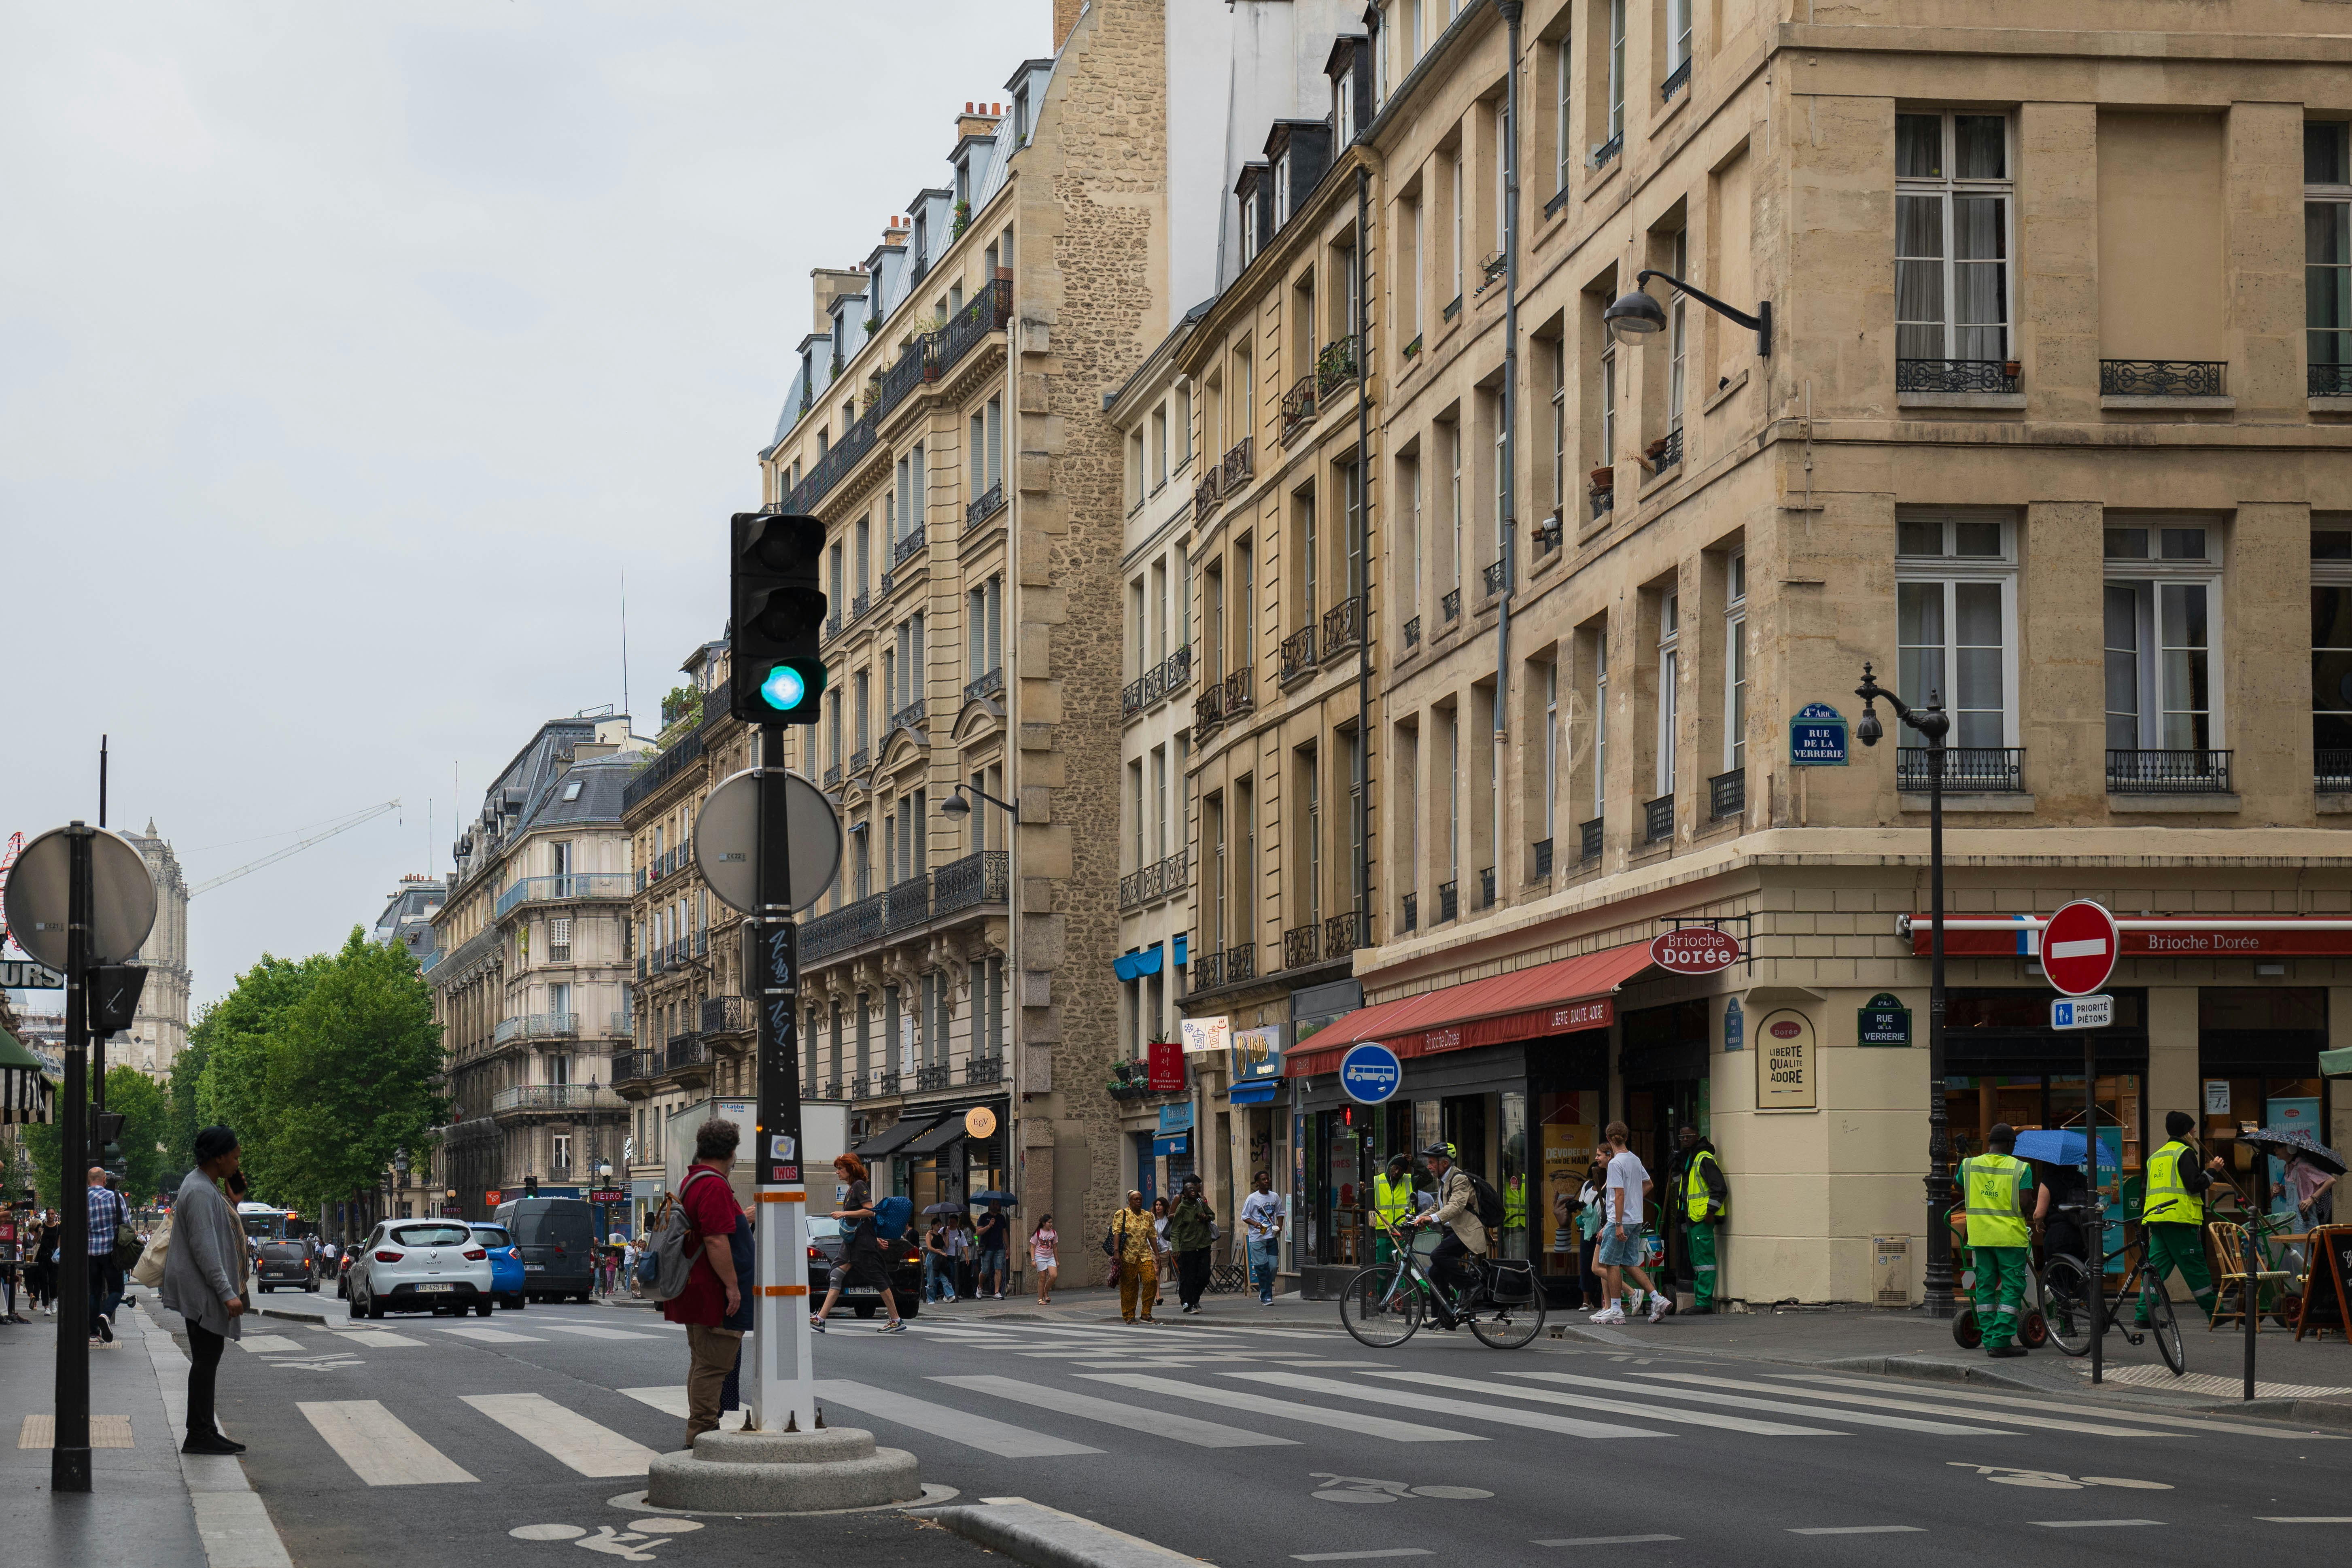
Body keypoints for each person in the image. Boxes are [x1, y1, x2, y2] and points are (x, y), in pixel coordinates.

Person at [162, 1127, 250, 1455]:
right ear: (219, 1156)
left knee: (208, 1357)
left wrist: (234, 1201)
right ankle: (198, 1433)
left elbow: (219, 1231)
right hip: (203, 1292)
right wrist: (227, 1292)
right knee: (205, 1358)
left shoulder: (205, 1187)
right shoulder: (199, 1191)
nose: (238, 1163)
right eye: (236, 1156)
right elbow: (206, 1248)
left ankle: (205, 1429)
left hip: (203, 1290)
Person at [662, 1118, 748, 1446]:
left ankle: (701, 1428)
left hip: (695, 1289)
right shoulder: (714, 1185)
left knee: (702, 1362)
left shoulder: (693, 1180)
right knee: (713, 1364)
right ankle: (702, 1432)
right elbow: (715, 1239)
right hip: (711, 1292)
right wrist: (732, 1285)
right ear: (730, 1151)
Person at [1953, 1121, 2035, 1358]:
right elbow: (2024, 1204)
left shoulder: (1970, 1165)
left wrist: (1960, 1154)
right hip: (2009, 1239)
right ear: (2009, 1144)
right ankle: (2000, 1340)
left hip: (1980, 1238)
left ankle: (1989, 1339)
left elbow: (1958, 1185)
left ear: (1991, 1143)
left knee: (1985, 1288)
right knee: (2013, 1287)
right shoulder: (2021, 1168)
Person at [2139, 1110, 2225, 1325]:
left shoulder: (2155, 1157)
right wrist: (2212, 1171)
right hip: (2180, 1221)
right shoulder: (2185, 1152)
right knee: (2196, 1268)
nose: (2195, 1131)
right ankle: (2217, 1313)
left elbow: (2144, 1192)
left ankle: (2144, 1314)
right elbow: (2194, 1185)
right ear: (2185, 1131)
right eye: (2192, 1128)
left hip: (2157, 1221)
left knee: (2154, 1270)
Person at [809, 1153, 905, 1334]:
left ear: (850, 1169)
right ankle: (820, 1319)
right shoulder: (852, 1187)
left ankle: (896, 1319)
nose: (837, 1172)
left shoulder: (860, 1186)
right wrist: (874, 1238)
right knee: (836, 1275)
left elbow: (870, 1212)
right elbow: (863, 1223)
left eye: (840, 1169)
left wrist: (844, 1214)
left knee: (879, 1279)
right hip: (853, 1243)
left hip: (861, 1246)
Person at [1594, 1122, 1665, 1324]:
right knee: (1629, 1263)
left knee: (1610, 1263)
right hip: (1636, 1218)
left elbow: (1619, 1194)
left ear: (1609, 1139)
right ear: (1626, 1138)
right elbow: (1649, 1183)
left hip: (1621, 1220)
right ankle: (1657, 1298)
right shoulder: (1634, 1159)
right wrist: (1635, 1201)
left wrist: (1616, 1224)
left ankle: (1615, 1308)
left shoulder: (1616, 1163)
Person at [1409, 1143, 1487, 1323]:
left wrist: (1432, 1219)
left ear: (1444, 1164)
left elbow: (1456, 1206)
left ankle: (1473, 1286)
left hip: (1467, 1233)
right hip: (1454, 1233)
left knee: (1438, 1255)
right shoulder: (1443, 1181)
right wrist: (1418, 1218)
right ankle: (1444, 1316)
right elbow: (1439, 1206)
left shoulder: (1459, 1179)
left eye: (1431, 1163)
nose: (1428, 1167)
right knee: (1436, 1273)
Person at [1673, 1127, 1729, 1314]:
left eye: (1689, 1136)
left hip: (1702, 1218)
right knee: (1698, 1262)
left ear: (1698, 1136)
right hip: (1692, 1218)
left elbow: (1719, 1188)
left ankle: (1704, 1303)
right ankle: (1700, 1301)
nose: (1685, 1139)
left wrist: (1711, 1211)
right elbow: (1684, 1188)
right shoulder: (1690, 1158)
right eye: (1682, 1136)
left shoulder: (1703, 1158)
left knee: (1704, 1262)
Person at [85, 1165, 126, 1345]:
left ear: (89, 1181)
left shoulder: (82, 1198)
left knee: (94, 1292)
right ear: (104, 1180)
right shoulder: (115, 1197)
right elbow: (126, 1224)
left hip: (90, 1252)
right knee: (117, 1290)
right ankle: (106, 1314)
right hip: (111, 1252)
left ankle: (93, 1334)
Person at [1107, 1189, 1159, 1324]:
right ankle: (1129, 1314)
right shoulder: (1122, 1214)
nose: (1139, 1201)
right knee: (1129, 1286)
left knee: (1151, 1280)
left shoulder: (1148, 1216)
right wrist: (1117, 1252)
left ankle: (1146, 1313)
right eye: (1136, 1199)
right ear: (1129, 1202)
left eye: (1140, 1199)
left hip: (1144, 1254)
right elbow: (1117, 1233)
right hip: (1127, 1255)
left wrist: (1157, 1254)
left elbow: (1152, 1235)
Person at [1169, 1176, 1216, 1314]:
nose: (1193, 1190)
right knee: (1188, 1276)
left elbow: (1212, 1215)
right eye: (1189, 1189)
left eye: (1194, 1188)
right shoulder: (1182, 1208)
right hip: (1188, 1247)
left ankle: (1194, 1299)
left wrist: (1206, 1217)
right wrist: (1176, 1249)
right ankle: (1188, 1303)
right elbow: (1176, 1230)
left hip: (1204, 1245)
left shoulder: (1201, 1203)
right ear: (1185, 1192)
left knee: (1205, 1275)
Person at [1240, 1171, 1284, 1305]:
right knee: (1262, 1267)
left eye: (1268, 1179)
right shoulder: (1252, 1198)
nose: (1266, 1181)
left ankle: (1266, 1290)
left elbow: (1280, 1212)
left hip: (1271, 1236)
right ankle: (1266, 1296)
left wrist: (1280, 1226)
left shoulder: (1275, 1196)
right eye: (1263, 1180)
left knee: (1273, 1267)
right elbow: (1245, 1216)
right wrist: (1255, 1224)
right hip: (1257, 1237)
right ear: (1257, 1183)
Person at [1575, 1156, 1610, 1310]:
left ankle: (1607, 1300)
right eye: (1594, 1171)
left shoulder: (1609, 1186)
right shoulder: (1588, 1186)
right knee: (1586, 1264)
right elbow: (1582, 1204)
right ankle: (1586, 1300)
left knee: (1604, 1264)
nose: (1596, 1174)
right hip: (1588, 1230)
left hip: (1604, 1229)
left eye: (1599, 1172)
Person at [1370, 1156, 1414, 1264]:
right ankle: (1382, 1282)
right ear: (1390, 1166)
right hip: (1383, 1232)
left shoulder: (1408, 1180)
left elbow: (1428, 1178)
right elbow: (1363, 1202)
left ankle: (1402, 1282)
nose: (1397, 1172)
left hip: (1402, 1232)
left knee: (1402, 1267)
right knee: (1383, 1265)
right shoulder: (1376, 1181)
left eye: (1401, 1170)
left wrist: (1414, 1162)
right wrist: (1362, 1195)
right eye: (1395, 1168)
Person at [976, 1202, 1010, 1300]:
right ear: (990, 1206)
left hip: (999, 1247)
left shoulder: (1001, 1218)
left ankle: (997, 1292)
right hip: (986, 1248)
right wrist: (989, 1226)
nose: (996, 1206)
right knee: (985, 1271)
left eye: (997, 1204)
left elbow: (1004, 1233)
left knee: (999, 1269)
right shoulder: (983, 1217)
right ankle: (980, 1287)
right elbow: (978, 1232)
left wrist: (1008, 1248)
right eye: (994, 1204)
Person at [923, 1216, 955, 1303]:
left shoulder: (941, 1235)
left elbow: (947, 1246)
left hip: (941, 1258)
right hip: (933, 1256)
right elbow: (929, 1247)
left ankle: (950, 1295)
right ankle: (931, 1299)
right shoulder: (929, 1235)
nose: (939, 1227)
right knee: (931, 1279)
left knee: (944, 1276)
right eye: (937, 1225)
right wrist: (941, 1253)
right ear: (933, 1225)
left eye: (940, 1225)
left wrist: (947, 1236)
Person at [1149, 1197, 1173, 1309]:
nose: (1158, 1207)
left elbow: (1171, 1235)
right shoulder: (1151, 1218)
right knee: (1156, 1271)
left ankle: (1153, 1296)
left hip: (1164, 1249)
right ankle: (1158, 1296)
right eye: (1156, 1205)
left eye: (1160, 1205)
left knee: (1159, 1272)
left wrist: (1170, 1249)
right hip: (1153, 1249)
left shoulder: (1168, 1219)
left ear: (1165, 1207)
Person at [1030, 1214, 1059, 1304]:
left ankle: (1046, 1291)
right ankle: (1040, 1299)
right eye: (1049, 1222)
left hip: (1050, 1257)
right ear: (1044, 1223)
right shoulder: (1038, 1233)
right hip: (1040, 1257)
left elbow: (1055, 1247)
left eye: (1052, 1222)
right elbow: (1032, 1247)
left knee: (1054, 1276)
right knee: (1043, 1278)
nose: (1051, 1224)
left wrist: (1057, 1260)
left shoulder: (1054, 1233)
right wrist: (1033, 1260)